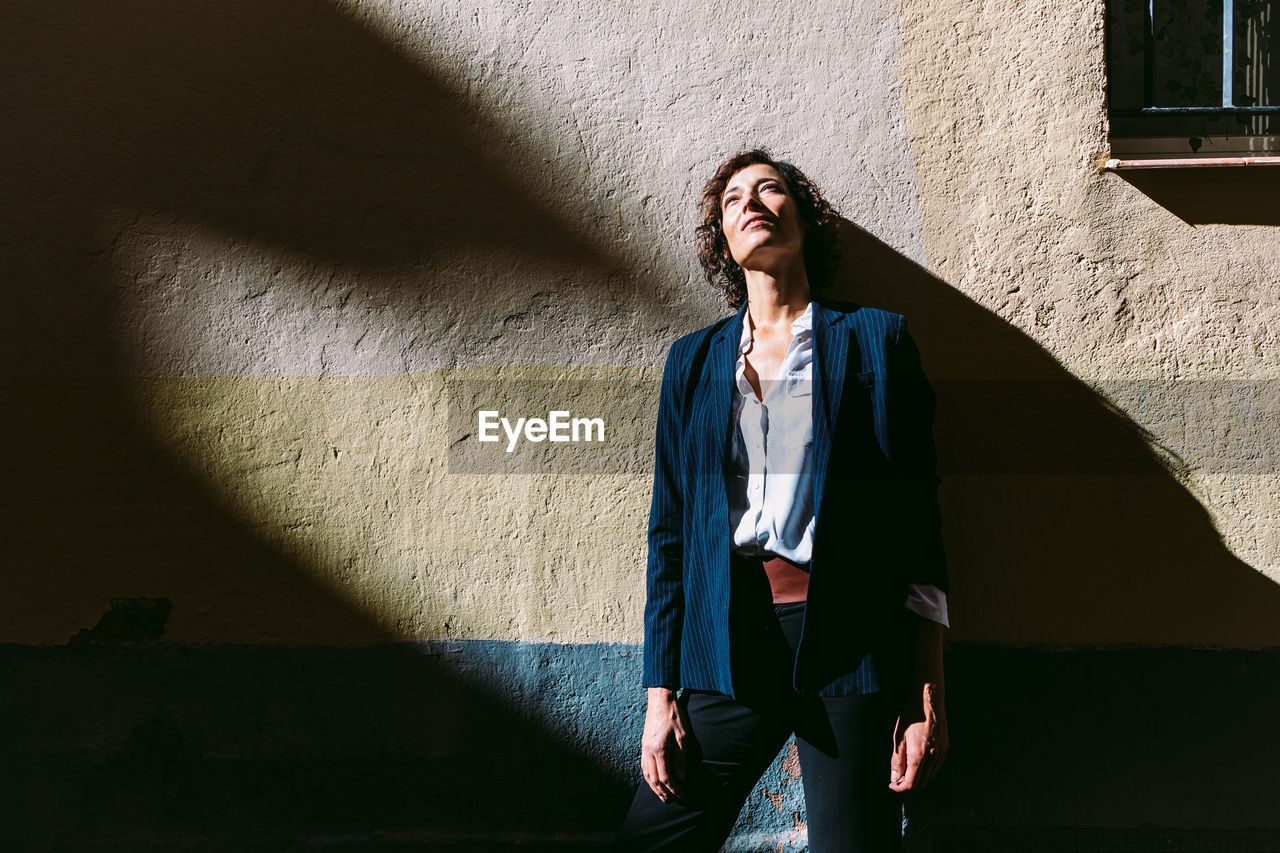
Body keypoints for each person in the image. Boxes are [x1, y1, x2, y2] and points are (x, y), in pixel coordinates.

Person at [614, 150, 950, 852]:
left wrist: (925, 685)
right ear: (722, 238)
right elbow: (669, 535)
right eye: (734, 198)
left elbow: (918, 524)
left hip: (850, 638)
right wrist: (660, 693)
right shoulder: (695, 362)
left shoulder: (874, 341)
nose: (753, 202)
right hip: (728, 641)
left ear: (803, 217)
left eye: (772, 189)